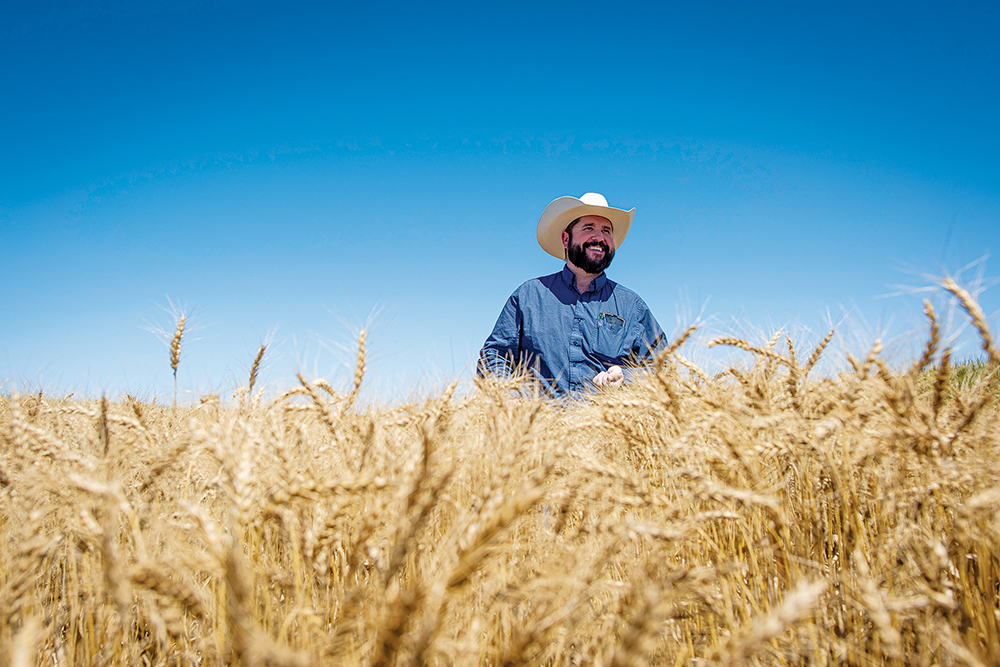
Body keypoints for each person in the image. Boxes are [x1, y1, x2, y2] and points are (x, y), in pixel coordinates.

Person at [478, 192, 666, 397]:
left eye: (606, 230)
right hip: (537, 426)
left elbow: (663, 370)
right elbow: (495, 355)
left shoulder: (632, 306)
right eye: (589, 228)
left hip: (607, 427)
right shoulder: (528, 296)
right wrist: (507, 396)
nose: (600, 237)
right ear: (566, 239)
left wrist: (627, 378)